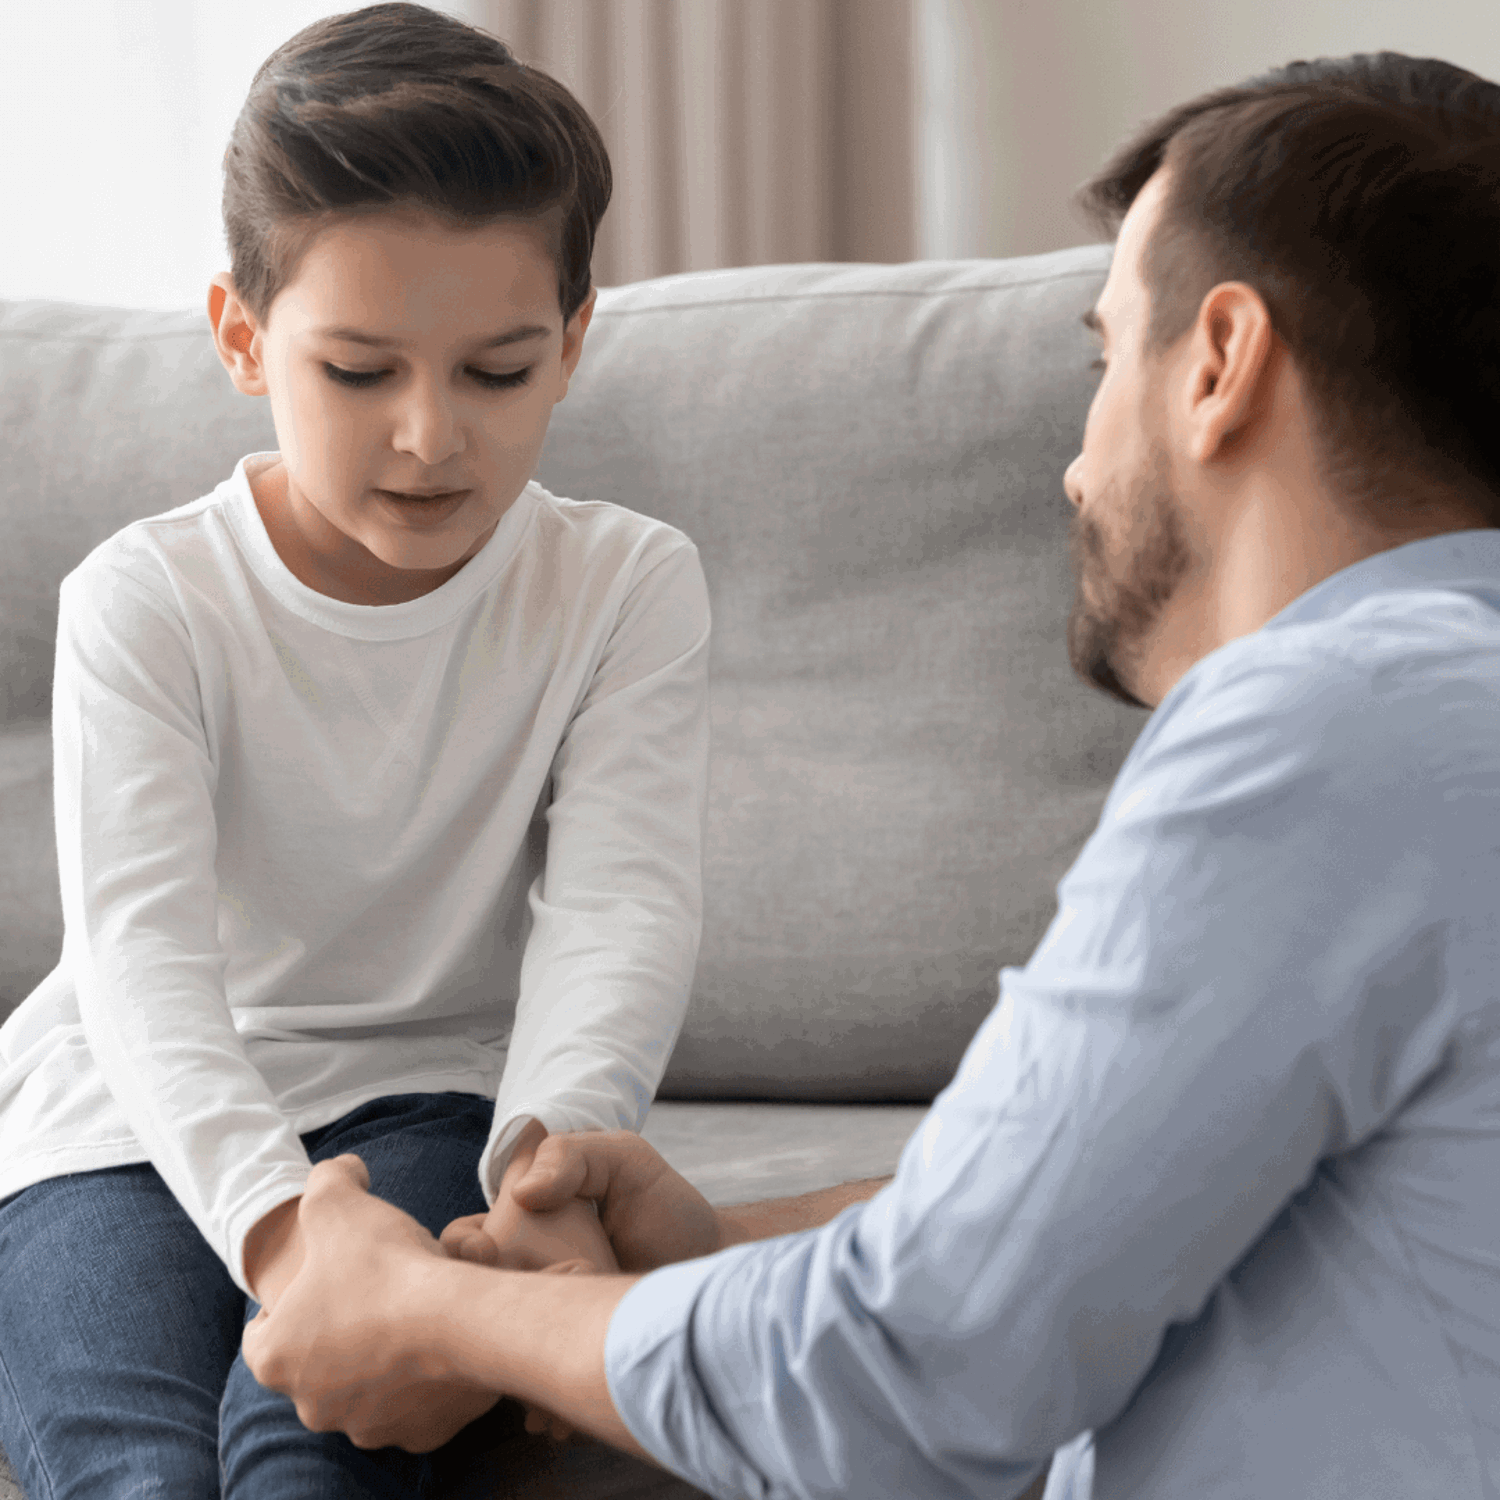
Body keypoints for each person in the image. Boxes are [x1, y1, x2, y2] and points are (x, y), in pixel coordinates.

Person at [241, 49, 1500, 1500]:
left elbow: (913, 1372)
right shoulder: (1431, 727)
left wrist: (436, 1311)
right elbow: (1112, 1199)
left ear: (1218, 365)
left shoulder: (1330, 726)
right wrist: (718, 1241)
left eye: (1106, 361)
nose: (1077, 468)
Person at [0, 3, 711, 1495]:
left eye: (498, 373)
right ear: (244, 339)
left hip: (423, 1104)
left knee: (321, 1461)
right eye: (360, 372)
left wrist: (550, 1168)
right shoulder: (145, 599)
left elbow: (618, 915)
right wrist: (284, 1227)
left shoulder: (626, 585)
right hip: (121, 1120)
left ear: (575, 344)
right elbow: (140, 964)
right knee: (134, 1470)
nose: (429, 438)